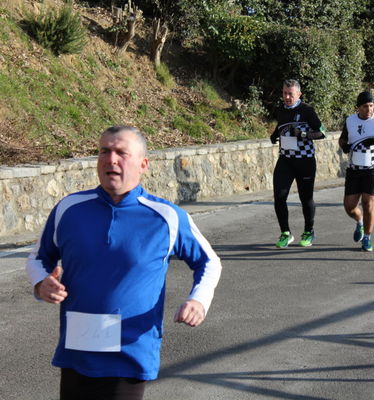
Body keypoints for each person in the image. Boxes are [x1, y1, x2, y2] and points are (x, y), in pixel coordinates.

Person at [26, 126, 222, 400]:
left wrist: (198, 300)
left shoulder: (166, 216)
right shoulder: (69, 209)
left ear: (143, 164)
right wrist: (40, 284)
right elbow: (38, 257)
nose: (111, 159)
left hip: (129, 350)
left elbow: (209, 261)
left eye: (121, 153)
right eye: (104, 151)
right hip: (77, 348)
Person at [338, 91, 374, 252]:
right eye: (365, 106)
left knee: (368, 202)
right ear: (358, 107)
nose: (369, 109)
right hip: (354, 168)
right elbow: (342, 138)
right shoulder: (350, 121)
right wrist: (344, 146)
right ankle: (359, 221)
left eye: (371, 105)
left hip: (373, 168)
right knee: (349, 206)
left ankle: (367, 237)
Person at [269, 79, 326, 248]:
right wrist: (274, 134)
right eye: (285, 93)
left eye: (290, 94)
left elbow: (322, 133)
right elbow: (281, 124)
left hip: (305, 161)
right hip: (285, 160)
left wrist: (302, 134)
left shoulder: (307, 110)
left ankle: (309, 231)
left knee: (305, 198)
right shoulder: (280, 109)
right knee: (279, 197)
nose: (287, 97)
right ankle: (285, 233)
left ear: (298, 94)